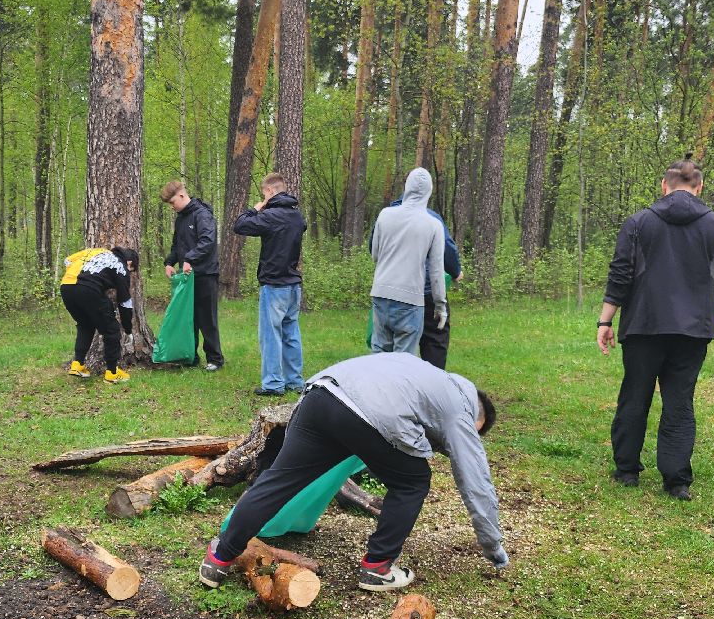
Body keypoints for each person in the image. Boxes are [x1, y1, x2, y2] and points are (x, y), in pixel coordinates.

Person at [199, 352, 508, 591]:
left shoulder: (422, 372)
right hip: (363, 413)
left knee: (280, 481)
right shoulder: (459, 408)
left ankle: (219, 558)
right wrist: (494, 548)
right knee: (413, 481)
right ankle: (378, 567)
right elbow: (476, 481)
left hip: (319, 396)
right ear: (475, 413)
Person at [597, 157, 714, 500]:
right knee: (680, 400)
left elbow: (621, 274)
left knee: (635, 393)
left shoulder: (637, 223)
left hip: (644, 325)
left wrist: (606, 320)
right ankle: (676, 480)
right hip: (693, 330)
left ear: (664, 186)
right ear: (699, 187)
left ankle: (627, 470)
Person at [232, 173, 307, 397]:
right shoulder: (297, 216)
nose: (263, 197)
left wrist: (256, 208)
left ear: (270, 192)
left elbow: (240, 225)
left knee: (271, 335)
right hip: (294, 283)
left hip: (274, 285)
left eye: (264, 193)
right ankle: (295, 381)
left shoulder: (270, 216)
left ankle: (273, 383)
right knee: (291, 333)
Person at [381, 191, 463, 368]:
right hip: (424, 291)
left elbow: (374, 248)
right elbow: (446, 250)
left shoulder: (386, 216)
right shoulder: (431, 218)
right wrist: (456, 271)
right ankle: (430, 386)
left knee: (389, 347)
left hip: (389, 291)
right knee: (434, 339)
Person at [369, 168, 447, 354]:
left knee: (379, 355)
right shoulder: (434, 225)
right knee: (403, 363)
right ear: (429, 191)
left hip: (381, 293)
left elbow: (375, 255)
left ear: (407, 187)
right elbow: (436, 272)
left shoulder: (385, 215)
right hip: (410, 300)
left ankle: (377, 384)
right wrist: (440, 306)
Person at [160, 180, 224, 371]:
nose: (172, 207)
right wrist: (170, 262)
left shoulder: (202, 214)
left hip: (205, 274)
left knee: (207, 318)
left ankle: (215, 359)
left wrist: (190, 259)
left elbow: (207, 241)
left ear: (181, 195)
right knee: (189, 318)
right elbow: (176, 245)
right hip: (187, 275)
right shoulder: (180, 218)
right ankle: (191, 356)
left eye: (173, 202)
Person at [59, 245, 140, 384]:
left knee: (85, 325)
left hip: (66, 286)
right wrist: (128, 329)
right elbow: (125, 302)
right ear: (130, 263)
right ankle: (112, 373)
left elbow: (67, 260)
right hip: (88, 289)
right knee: (111, 330)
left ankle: (77, 365)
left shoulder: (95, 251)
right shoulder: (121, 266)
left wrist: (81, 276)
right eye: (131, 271)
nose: (129, 273)